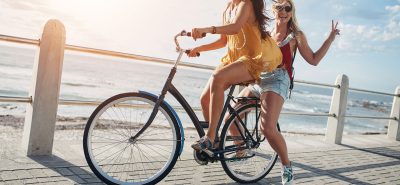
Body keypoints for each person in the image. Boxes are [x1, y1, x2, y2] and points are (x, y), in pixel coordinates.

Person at [229, 0, 340, 184]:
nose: (283, 11)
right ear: (274, 10)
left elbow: (313, 60)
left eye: (287, 8)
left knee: (267, 128)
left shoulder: (296, 35)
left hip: (279, 79)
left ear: (291, 12)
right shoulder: (267, 33)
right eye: (279, 7)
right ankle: (242, 149)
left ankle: (286, 166)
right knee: (230, 116)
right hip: (261, 78)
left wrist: (330, 38)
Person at [186, 0, 282, 154]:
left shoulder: (247, 3)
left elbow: (235, 28)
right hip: (233, 60)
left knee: (218, 77)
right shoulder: (229, 8)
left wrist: (207, 29)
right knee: (204, 99)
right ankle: (216, 142)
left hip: (251, 59)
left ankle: (209, 137)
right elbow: (223, 41)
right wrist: (199, 48)